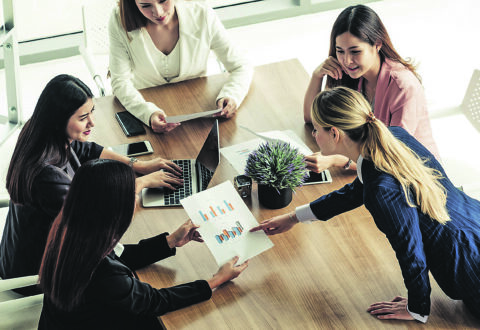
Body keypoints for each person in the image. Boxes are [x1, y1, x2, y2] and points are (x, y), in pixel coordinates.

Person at [251, 87, 480, 322]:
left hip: (467, 261)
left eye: (316, 130)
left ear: (335, 134)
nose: (314, 136)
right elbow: (356, 191)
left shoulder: (380, 188)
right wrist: (294, 218)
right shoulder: (393, 137)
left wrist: (417, 307)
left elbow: (410, 250)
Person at [0, 74, 183, 295]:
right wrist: (139, 184)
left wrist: (136, 165)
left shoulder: (39, 132)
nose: (92, 123)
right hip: (36, 276)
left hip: (18, 256)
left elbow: (86, 150)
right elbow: (97, 225)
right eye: (83, 117)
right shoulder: (46, 176)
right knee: (129, 282)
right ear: (59, 119)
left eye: (92, 112)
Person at [38, 159, 248, 329]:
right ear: (115, 209)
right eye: (133, 195)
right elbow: (155, 302)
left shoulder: (70, 230)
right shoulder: (104, 273)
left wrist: (170, 241)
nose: (137, 200)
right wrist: (216, 280)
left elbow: (120, 257)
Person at [303, 4, 440, 173]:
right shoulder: (351, 76)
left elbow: (392, 155)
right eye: (340, 51)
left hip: (418, 176)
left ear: (377, 45)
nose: (346, 61)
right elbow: (312, 119)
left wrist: (337, 160)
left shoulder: (403, 87)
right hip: (375, 171)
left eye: (355, 51)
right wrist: (317, 76)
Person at [109, 0, 253, 133]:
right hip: (146, 109)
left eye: (163, 0)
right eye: (146, 5)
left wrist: (232, 95)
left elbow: (241, 66)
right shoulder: (118, 20)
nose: (158, 12)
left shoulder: (202, 14)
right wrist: (147, 113)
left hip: (199, 114)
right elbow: (120, 82)